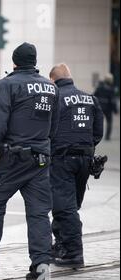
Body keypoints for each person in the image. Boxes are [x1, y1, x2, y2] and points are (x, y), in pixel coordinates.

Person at [0, 42, 60, 280]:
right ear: (34, 61)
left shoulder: (7, 85)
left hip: (15, 158)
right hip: (41, 159)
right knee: (38, 213)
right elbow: (54, 125)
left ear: (15, 62)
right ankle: (41, 266)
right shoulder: (50, 87)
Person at [49, 64, 104, 267]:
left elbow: (49, 128)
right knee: (69, 205)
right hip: (85, 159)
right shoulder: (91, 98)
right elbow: (98, 131)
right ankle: (61, 246)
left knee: (64, 208)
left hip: (62, 158)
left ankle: (73, 253)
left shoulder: (56, 98)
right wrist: (86, 146)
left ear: (53, 80)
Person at [94, 74, 117, 141]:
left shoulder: (100, 87)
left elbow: (94, 96)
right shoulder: (112, 89)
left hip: (100, 107)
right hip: (108, 108)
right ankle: (107, 136)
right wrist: (115, 110)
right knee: (109, 122)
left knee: (97, 121)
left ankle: (95, 135)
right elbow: (113, 101)